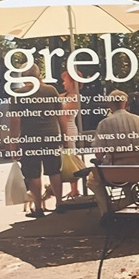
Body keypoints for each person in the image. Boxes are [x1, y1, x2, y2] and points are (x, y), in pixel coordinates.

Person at [7, 63, 65, 218]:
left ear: (22, 77)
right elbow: (61, 115)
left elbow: (15, 122)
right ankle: (60, 203)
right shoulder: (51, 90)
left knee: (33, 174)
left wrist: (13, 144)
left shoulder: (17, 95)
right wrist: (64, 136)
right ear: (38, 74)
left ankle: (38, 208)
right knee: (54, 170)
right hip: (51, 135)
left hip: (29, 138)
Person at [87, 90, 139, 216]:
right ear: (125, 102)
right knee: (128, 180)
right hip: (138, 169)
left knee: (92, 181)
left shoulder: (105, 123)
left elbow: (99, 154)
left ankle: (106, 211)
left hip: (115, 172)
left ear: (110, 104)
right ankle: (127, 204)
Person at [59, 69, 83, 199]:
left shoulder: (75, 97)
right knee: (64, 158)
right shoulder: (64, 95)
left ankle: (74, 189)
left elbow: (67, 112)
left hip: (69, 128)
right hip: (61, 129)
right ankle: (72, 188)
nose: (63, 83)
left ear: (72, 82)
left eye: (65, 81)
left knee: (70, 157)